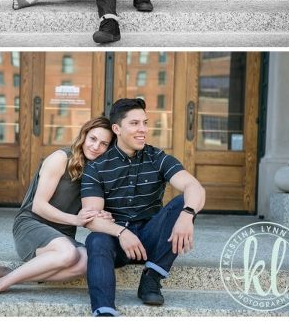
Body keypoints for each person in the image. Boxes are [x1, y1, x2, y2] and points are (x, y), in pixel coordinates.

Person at [80, 98, 206, 316]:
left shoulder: (156, 157)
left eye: (145, 123)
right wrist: (122, 232)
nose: (143, 130)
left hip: (151, 239)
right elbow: (91, 218)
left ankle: (152, 277)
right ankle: (104, 310)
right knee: (95, 239)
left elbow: (194, 186)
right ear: (117, 129)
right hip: (118, 242)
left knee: (182, 203)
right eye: (135, 124)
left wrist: (187, 215)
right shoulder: (97, 168)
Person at [0, 116, 114, 298]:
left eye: (104, 144)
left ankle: (11, 274)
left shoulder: (98, 172)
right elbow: (39, 207)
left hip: (61, 233)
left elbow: (92, 209)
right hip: (31, 225)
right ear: (84, 136)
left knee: (88, 261)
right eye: (93, 139)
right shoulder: (60, 158)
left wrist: (104, 216)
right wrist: (75, 220)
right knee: (69, 254)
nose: (96, 147)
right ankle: (1, 284)